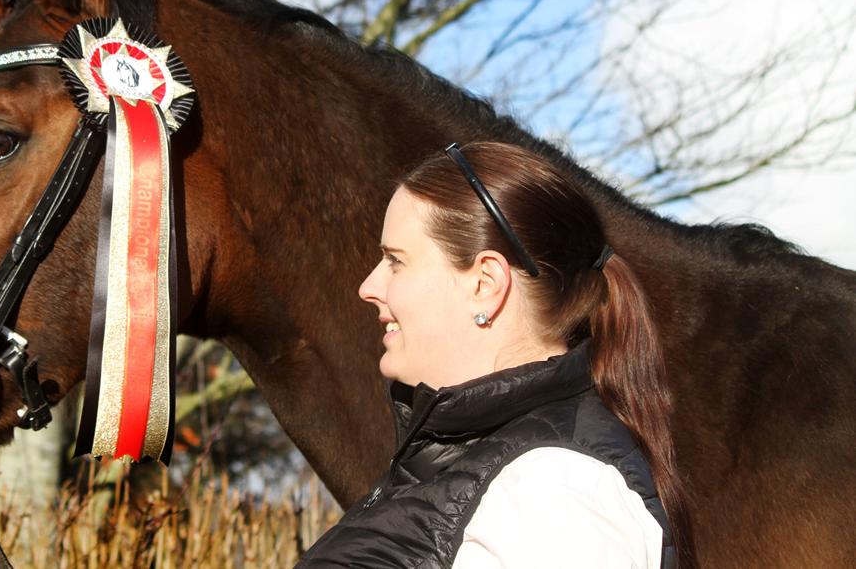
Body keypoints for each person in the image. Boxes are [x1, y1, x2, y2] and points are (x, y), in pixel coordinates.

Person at [298, 141, 695, 568]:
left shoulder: (556, 494)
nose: (368, 287)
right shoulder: (464, 465)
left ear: (485, 284)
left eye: (396, 261)